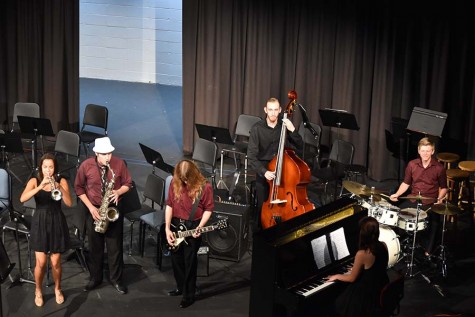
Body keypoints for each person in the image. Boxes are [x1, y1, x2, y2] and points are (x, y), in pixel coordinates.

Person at [74, 137, 131, 294]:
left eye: (110, 153)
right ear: (97, 153)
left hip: (113, 210)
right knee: (95, 248)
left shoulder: (118, 164)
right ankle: (95, 278)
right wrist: (91, 208)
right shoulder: (86, 166)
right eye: (105, 154)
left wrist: (119, 191)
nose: (108, 157)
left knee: (115, 248)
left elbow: (128, 183)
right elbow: (78, 189)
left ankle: (116, 280)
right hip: (95, 210)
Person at [20, 153, 73, 307]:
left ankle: (57, 288)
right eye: (45, 167)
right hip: (40, 222)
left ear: (55, 167)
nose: (48, 170)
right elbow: (22, 199)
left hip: (57, 221)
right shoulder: (34, 180)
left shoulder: (61, 180)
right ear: (41, 167)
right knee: (41, 262)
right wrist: (39, 187)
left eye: (51, 167)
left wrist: (59, 188)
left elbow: (69, 203)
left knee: (56, 262)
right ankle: (38, 290)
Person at [247, 97, 303, 230]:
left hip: (283, 169)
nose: (272, 113)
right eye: (270, 110)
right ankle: (261, 233)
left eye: (275, 110)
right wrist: (264, 172)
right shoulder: (257, 129)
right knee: (263, 206)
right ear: (265, 110)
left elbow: (300, 146)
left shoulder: (284, 126)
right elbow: (251, 157)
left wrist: (293, 130)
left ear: (279, 111)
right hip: (264, 170)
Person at [165, 159, 213, 308]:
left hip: (193, 226)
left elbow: (208, 209)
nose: (184, 181)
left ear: (193, 175)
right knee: (176, 260)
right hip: (175, 225)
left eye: (186, 178)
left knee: (190, 263)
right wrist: (167, 228)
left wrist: (200, 226)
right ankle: (180, 287)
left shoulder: (205, 187)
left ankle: (189, 295)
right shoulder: (175, 182)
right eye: (182, 178)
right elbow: (169, 206)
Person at [389, 137, 447, 256]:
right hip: (413, 198)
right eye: (423, 151)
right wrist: (397, 194)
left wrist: (440, 199)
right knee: (396, 213)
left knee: (435, 222)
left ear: (432, 151)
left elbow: (444, 187)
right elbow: (406, 183)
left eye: (428, 151)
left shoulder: (439, 168)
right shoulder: (412, 164)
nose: (425, 153)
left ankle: (428, 251)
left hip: (430, 202)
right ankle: (398, 245)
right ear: (419, 150)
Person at [327, 216, 389, 316]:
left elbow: (352, 278)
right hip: (380, 285)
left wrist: (337, 276)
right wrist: (359, 269)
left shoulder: (362, 254)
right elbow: (377, 268)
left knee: (338, 303)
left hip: (367, 295)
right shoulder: (384, 245)